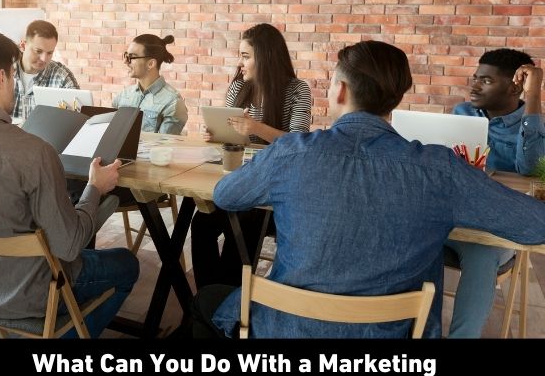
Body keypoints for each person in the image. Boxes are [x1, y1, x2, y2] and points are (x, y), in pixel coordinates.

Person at [190, 40, 545, 338]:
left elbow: (226, 196)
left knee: (208, 300)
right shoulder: (441, 168)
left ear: (341, 90)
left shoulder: (291, 152)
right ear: (396, 97)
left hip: (285, 327)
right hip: (396, 333)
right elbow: (534, 225)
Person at [0, 27, 139, 338]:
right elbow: (70, 244)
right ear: (0, 78)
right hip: (38, 292)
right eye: (10, 74)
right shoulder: (34, 153)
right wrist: (95, 189)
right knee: (127, 264)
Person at [190, 23, 312, 289]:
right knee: (201, 224)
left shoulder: (297, 90)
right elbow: (232, 138)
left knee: (244, 226)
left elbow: (299, 143)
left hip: (274, 185)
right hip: (240, 177)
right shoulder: (239, 89)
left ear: (266, 58)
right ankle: (209, 303)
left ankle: (226, 307)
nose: (240, 63)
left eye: (246, 56)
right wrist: (218, 133)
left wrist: (256, 128)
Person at [446, 49, 544, 338]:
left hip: (497, 225)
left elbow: (529, 170)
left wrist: (534, 97)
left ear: (515, 87)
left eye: (485, 80)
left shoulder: (534, 123)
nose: (474, 86)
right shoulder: (461, 113)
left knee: (481, 252)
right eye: (475, 78)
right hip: (454, 216)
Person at [113, 34, 188, 135]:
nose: (125, 61)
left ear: (151, 64)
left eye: (131, 57)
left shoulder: (173, 102)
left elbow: (163, 147)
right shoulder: (122, 96)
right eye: (126, 55)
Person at [11, 20, 80, 119]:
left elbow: (78, 118)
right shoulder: (3, 70)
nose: (44, 59)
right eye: (38, 51)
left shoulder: (63, 77)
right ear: (23, 45)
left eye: (49, 53)